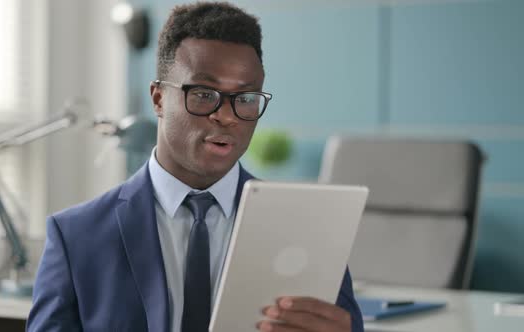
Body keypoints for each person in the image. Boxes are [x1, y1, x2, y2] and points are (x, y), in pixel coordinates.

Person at [27, 2, 363, 332]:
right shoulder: (77, 236)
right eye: (203, 93)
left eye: (245, 98)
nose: (227, 115)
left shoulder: (306, 227)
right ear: (158, 98)